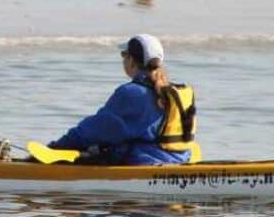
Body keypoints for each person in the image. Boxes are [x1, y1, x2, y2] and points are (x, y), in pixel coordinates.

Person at [46, 34, 198, 165]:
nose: (123, 60)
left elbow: (94, 130)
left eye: (124, 55)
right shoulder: (176, 92)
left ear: (131, 60)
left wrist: (58, 146)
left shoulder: (132, 93)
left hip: (145, 164)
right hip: (181, 160)